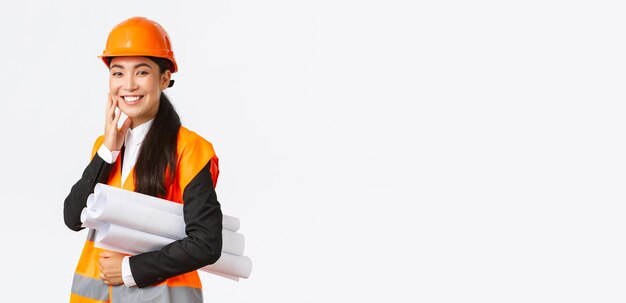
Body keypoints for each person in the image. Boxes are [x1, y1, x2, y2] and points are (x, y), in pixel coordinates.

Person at [63, 16, 223, 303]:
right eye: (118, 73)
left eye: (142, 72)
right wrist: (107, 151)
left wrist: (129, 269)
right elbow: (73, 218)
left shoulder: (190, 149)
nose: (128, 85)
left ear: (163, 78)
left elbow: (207, 243)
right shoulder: (105, 147)